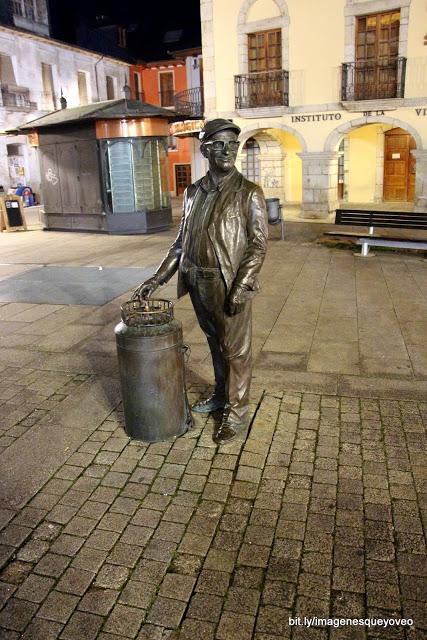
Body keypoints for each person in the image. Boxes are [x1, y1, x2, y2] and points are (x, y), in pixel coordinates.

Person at [134, 118, 268, 444]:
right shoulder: (193, 192)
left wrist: (241, 285)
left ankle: (236, 414)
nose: (227, 151)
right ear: (205, 148)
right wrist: (159, 277)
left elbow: (258, 244)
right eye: (219, 145)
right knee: (214, 343)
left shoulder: (248, 193)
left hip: (227, 285)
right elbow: (180, 242)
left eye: (232, 145)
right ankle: (221, 395)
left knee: (235, 351)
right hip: (197, 282)